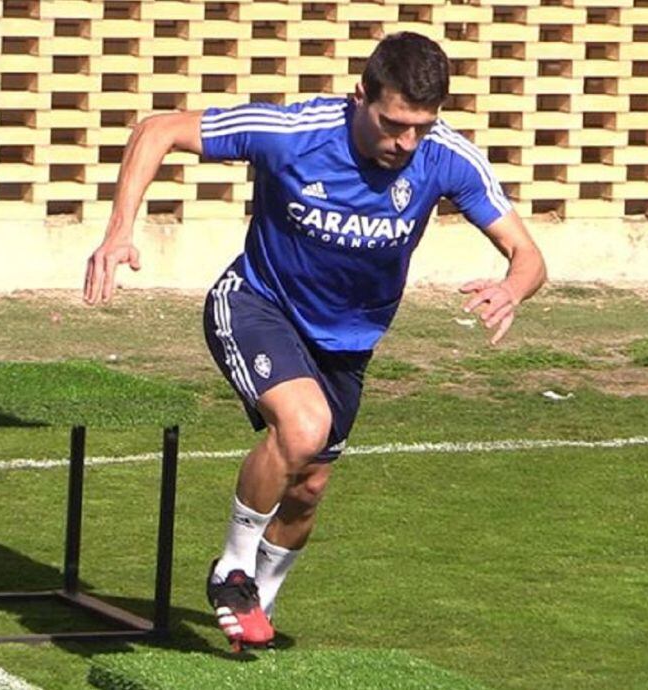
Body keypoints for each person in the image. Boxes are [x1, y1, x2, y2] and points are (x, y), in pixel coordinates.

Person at [83, 32, 546, 651]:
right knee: (303, 428)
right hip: (257, 304)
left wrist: (514, 290)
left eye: (420, 127)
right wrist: (119, 232)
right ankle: (232, 571)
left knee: (308, 490)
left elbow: (529, 256)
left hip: (346, 345)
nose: (405, 142)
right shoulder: (292, 131)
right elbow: (157, 129)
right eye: (393, 124)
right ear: (361, 96)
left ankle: (254, 617)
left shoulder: (445, 157)